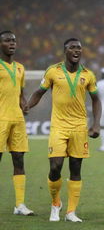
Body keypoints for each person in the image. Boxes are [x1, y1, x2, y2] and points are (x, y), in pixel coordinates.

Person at [27, 38, 101, 222]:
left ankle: (71, 212)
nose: (76, 50)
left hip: (79, 127)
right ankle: (55, 204)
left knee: (76, 168)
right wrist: (27, 106)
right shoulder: (53, 71)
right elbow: (39, 92)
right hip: (58, 126)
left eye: (79, 48)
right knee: (55, 167)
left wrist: (96, 123)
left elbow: (96, 100)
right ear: (65, 50)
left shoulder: (88, 75)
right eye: (72, 47)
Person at [0, 30, 34, 216]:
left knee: (19, 160)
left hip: (17, 120)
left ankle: (20, 205)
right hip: (0, 119)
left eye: (14, 40)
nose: (12, 43)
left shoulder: (20, 68)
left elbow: (20, 94)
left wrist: (24, 104)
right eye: (7, 41)